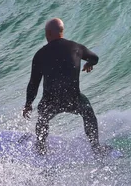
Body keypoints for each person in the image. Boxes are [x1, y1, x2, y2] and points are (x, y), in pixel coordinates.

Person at [22, 18, 102, 155]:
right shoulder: (76, 48)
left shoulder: (40, 54)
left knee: (42, 119)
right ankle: (96, 148)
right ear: (62, 31)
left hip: (50, 101)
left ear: (48, 33)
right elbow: (94, 57)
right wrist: (89, 63)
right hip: (73, 98)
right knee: (88, 114)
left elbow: (33, 83)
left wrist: (28, 104)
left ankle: (41, 148)